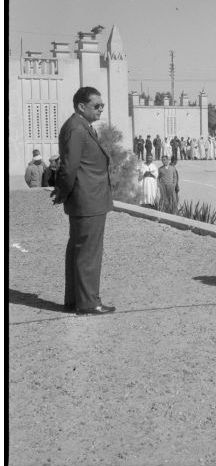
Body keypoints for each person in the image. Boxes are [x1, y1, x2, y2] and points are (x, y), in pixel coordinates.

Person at [51, 86, 115, 315]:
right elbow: (69, 169)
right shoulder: (77, 129)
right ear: (81, 106)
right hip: (88, 200)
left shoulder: (80, 126)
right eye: (96, 106)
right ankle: (88, 303)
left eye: (102, 106)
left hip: (87, 199)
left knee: (79, 250)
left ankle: (74, 300)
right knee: (88, 253)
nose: (100, 110)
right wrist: (63, 192)